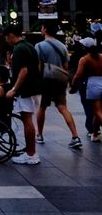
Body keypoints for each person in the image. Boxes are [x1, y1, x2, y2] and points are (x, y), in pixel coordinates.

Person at [35, 21, 82, 149]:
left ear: (44, 29)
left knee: (43, 107)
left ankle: (39, 135)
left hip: (46, 80)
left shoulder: (39, 46)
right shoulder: (62, 46)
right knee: (62, 107)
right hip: (60, 79)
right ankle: (75, 136)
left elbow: (38, 66)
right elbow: (66, 66)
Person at [3, 24, 42, 165]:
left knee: (27, 120)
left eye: (6, 38)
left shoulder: (19, 49)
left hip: (25, 90)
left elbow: (23, 71)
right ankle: (31, 152)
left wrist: (14, 89)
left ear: (11, 35)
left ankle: (31, 154)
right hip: (34, 88)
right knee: (28, 119)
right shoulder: (29, 46)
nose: (7, 41)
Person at [70, 36, 102, 133]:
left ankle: (92, 129)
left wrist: (73, 84)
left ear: (85, 47)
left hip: (92, 84)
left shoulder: (84, 59)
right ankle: (95, 132)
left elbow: (78, 75)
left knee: (95, 110)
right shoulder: (101, 56)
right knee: (99, 110)